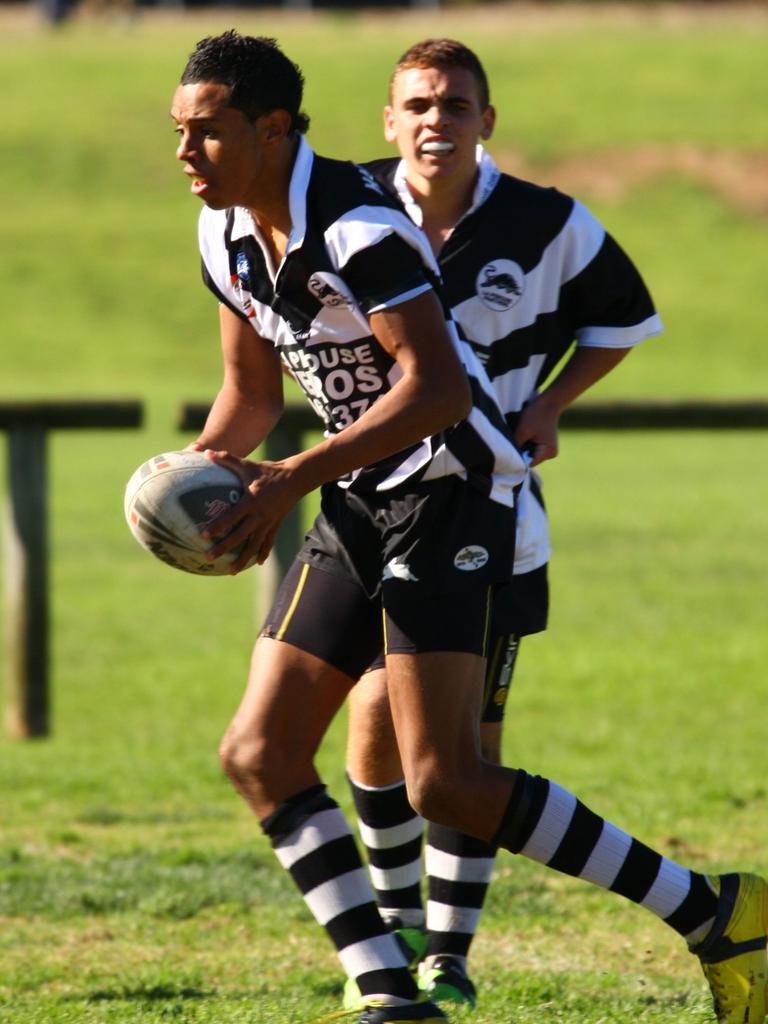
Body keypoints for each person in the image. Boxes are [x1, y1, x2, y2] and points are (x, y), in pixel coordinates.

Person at [170, 30, 767, 1024]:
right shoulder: (223, 231)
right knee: (260, 753)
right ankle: (387, 990)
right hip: (361, 493)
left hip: (454, 491)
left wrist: (292, 477)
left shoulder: (359, 230)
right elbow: (246, 391)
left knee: (446, 780)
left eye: (208, 133)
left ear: (273, 131)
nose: (187, 153)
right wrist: (204, 481)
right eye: (179, 133)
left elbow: (440, 390)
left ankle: (718, 911)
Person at [341, 38, 660, 1010]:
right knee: (370, 718)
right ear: (390, 120)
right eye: (419, 105)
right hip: (362, 506)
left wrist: (553, 404)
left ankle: (448, 955)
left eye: (457, 105)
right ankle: (397, 925)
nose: (438, 120)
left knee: (466, 748)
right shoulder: (346, 206)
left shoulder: (546, 221)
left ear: (488, 120)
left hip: (489, 510)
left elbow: (626, 319)